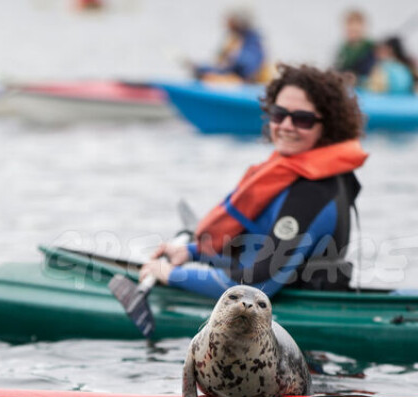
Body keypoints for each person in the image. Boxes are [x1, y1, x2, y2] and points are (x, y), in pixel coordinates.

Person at [139, 64, 368, 299]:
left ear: (327, 125)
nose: (287, 126)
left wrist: (171, 275)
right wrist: (191, 253)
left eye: (303, 119)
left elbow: (256, 285)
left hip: (283, 312)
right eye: (279, 114)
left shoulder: (313, 192)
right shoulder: (293, 174)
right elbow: (255, 251)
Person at [191, 9, 271, 84]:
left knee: (212, 77)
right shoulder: (235, 40)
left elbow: (245, 67)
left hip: (244, 83)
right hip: (232, 76)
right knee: (203, 72)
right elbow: (221, 65)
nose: (227, 25)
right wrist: (202, 68)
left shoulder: (252, 42)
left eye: (231, 21)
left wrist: (231, 59)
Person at [333, 10, 376, 85]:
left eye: (355, 31)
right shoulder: (343, 49)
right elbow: (338, 68)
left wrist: (358, 80)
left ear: (363, 28)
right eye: (350, 30)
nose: (352, 33)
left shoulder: (372, 49)